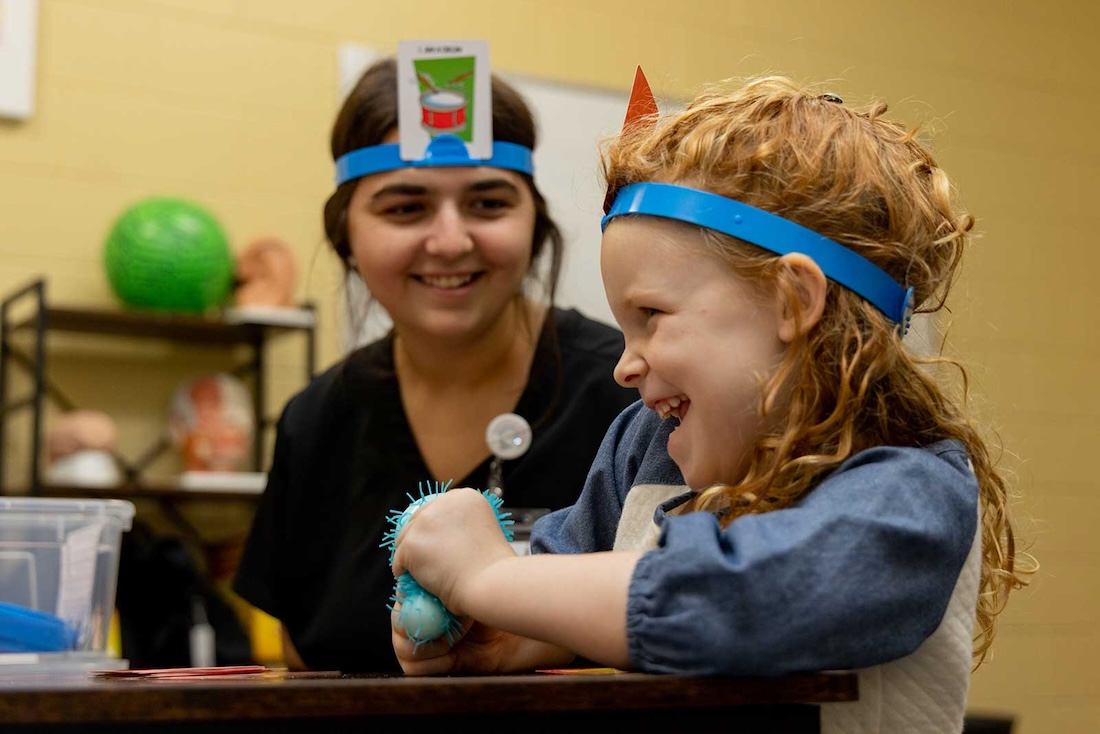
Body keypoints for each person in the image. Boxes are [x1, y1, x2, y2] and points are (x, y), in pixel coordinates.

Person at [390, 75, 1029, 732]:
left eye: (651, 316)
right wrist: (506, 632)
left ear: (792, 302)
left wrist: (493, 581)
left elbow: (743, 603)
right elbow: (567, 576)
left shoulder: (908, 488)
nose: (624, 363)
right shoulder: (645, 445)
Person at [232, 58, 636, 672]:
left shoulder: (634, 393)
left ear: (535, 221)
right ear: (346, 234)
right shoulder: (315, 423)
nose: (450, 241)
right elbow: (301, 659)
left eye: (488, 203)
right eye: (404, 208)